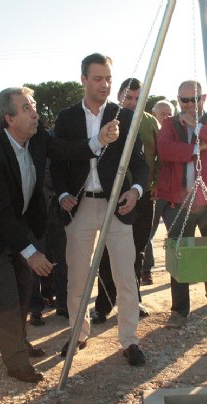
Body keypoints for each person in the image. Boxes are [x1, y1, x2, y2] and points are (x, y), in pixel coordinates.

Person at [0, 86, 119, 383]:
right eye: (27, 108)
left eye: (33, 105)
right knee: (6, 301)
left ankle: (20, 344)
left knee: (24, 292)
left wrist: (99, 140)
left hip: (19, 229)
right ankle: (16, 364)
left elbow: (67, 151)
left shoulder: (36, 138)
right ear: (9, 119)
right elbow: (1, 215)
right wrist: (31, 252)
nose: (35, 113)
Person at [51, 53, 148, 366]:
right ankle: (78, 335)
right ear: (83, 79)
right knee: (77, 278)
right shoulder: (66, 118)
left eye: (108, 78)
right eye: (97, 78)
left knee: (126, 277)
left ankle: (130, 340)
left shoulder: (126, 116)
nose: (104, 84)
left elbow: (140, 163)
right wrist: (62, 193)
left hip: (117, 206)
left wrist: (135, 191)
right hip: (79, 208)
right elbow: (57, 161)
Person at [155, 80, 207, 327]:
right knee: (179, 255)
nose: (189, 104)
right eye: (184, 100)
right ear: (178, 99)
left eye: (195, 99)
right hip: (180, 202)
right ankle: (179, 311)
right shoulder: (170, 124)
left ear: (204, 99)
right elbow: (165, 150)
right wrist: (198, 149)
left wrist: (196, 126)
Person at [92, 77, 159, 324]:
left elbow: (158, 156)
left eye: (138, 99)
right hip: (113, 196)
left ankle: (133, 302)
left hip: (143, 195)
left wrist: (154, 184)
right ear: (119, 96)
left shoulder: (150, 122)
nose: (132, 102)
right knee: (108, 251)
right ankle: (103, 305)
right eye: (128, 97)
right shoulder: (106, 119)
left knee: (137, 250)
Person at [142, 99, 175, 284]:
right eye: (163, 114)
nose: (167, 117)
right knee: (148, 232)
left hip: (174, 192)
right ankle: (146, 270)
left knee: (176, 230)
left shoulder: (178, 132)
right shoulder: (150, 131)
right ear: (154, 115)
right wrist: (153, 183)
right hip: (154, 190)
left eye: (170, 113)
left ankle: (178, 267)